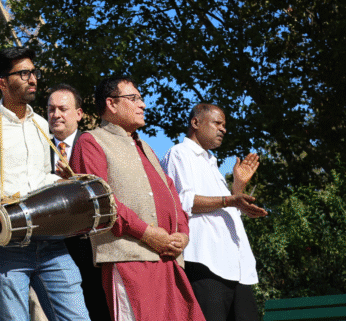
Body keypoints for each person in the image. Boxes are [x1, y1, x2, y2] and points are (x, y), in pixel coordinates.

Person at [0, 46, 88, 321]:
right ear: (2, 82)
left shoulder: (41, 125)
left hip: (50, 237)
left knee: (77, 317)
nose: (33, 79)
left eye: (33, 72)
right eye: (24, 73)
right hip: (5, 242)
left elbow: (40, 178)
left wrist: (62, 181)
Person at [70, 76, 204, 321]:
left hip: (169, 260)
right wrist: (148, 233)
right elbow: (99, 201)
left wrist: (183, 234)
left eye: (141, 98)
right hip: (129, 260)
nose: (142, 104)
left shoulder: (147, 147)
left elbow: (172, 195)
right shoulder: (91, 141)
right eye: (133, 98)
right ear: (111, 104)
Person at [161, 104, 267, 321]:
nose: (223, 129)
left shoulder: (210, 162)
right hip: (205, 262)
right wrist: (229, 199)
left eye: (224, 125)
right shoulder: (179, 154)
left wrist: (238, 187)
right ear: (196, 123)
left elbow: (227, 208)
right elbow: (181, 202)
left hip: (236, 266)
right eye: (217, 123)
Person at [45, 86, 108, 321]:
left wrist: (74, 182)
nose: (56, 114)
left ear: (79, 114)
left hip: (89, 247)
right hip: (50, 244)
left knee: (96, 307)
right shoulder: (38, 148)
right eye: (51, 109)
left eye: (63, 109)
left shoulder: (95, 144)